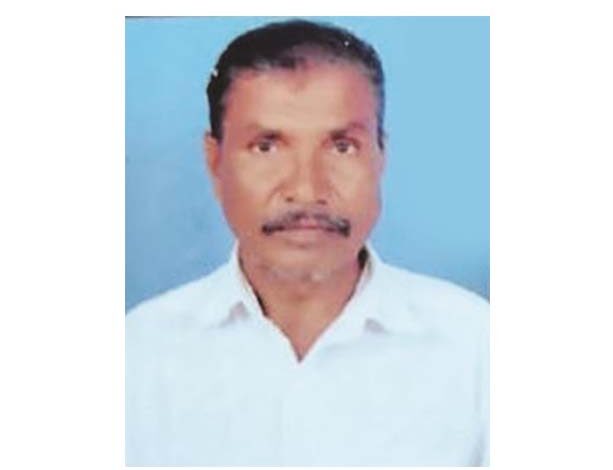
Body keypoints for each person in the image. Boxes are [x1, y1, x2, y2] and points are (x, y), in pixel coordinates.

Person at [126, 19, 489, 466]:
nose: (306, 189)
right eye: (266, 146)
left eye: (342, 146)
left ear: (381, 156)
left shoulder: (478, 347)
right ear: (215, 161)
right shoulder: (137, 354)